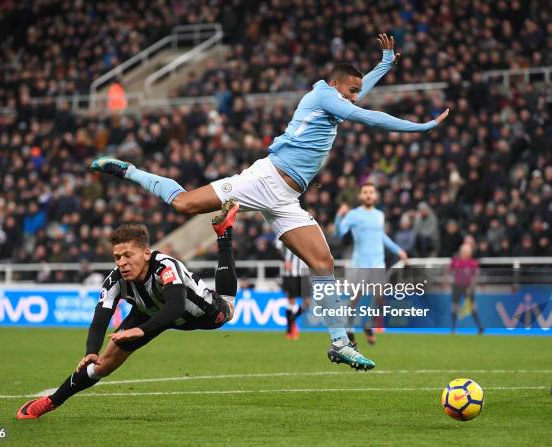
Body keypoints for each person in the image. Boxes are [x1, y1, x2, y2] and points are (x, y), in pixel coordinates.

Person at [91, 34, 450, 371]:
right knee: (185, 204)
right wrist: (420, 127)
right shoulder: (323, 95)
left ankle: (339, 343)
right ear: (337, 86)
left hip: (287, 197)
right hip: (264, 180)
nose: (356, 97)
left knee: (322, 262)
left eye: (356, 92)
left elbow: (359, 97)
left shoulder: (339, 98)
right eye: (351, 91)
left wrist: (385, 63)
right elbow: (366, 115)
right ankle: (131, 171)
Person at [16, 200, 240, 419]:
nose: (121, 262)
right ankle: (50, 402)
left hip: (196, 313)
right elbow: (100, 319)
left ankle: (223, 234)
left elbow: (176, 306)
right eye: (117, 257)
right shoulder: (115, 279)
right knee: (101, 365)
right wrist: (91, 351)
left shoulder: (165, 266)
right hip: (149, 313)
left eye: (127, 256)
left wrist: (142, 331)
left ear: (146, 254)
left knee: (228, 306)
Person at [335, 183, 408, 344]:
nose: (368, 195)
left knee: (380, 298)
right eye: (365, 192)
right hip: (360, 262)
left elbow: (382, 237)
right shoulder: (354, 214)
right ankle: (349, 329)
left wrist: (398, 250)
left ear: (375, 196)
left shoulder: (379, 215)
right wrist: (339, 217)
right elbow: (339, 233)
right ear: (361, 196)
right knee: (355, 298)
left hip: (377, 262)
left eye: (371, 192)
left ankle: (369, 325)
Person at [275, 239, 310, 340]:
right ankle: (290, 330)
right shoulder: (284, 230)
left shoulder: (307, 233)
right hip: (290, 274)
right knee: (291, 301)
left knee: (307, 302)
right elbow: (276, 247)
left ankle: (292, 320)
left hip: (304, 273)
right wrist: (284, 259)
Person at [448, 243, 483, 334]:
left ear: (470, 253)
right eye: (463, 251)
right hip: (456, 286)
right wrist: (449, 281)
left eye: (467, 251)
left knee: (472, 307)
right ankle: (453, 328)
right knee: (454, 306)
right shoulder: (455, 261)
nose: (464, 253)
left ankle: (479, 327)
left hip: (468, 287)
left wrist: (472, 286)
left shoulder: (473, 263)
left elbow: (476, 276)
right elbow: (448, 272)